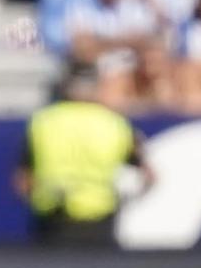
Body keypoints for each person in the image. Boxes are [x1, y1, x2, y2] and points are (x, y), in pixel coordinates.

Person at [14, 72, 155, 245]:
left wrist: (37, 201)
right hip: (100, 217)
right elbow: (149, 176)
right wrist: (127, 201)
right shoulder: (115, 123)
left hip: (53, 217)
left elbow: (22, 180)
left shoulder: (43, 121)